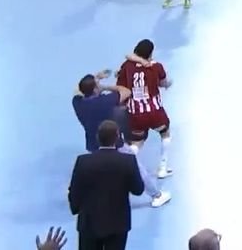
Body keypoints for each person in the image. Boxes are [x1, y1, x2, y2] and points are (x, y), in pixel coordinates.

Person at [71, 72, 171, 208]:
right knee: (137, 168)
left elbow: (77, 89)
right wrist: (104, 87)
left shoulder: (77, 103)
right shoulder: (105, 101)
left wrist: (96, 79)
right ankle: (156, 195)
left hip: (93, 146)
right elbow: (126, 91)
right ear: (95, 89)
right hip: (115, 144)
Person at [68, 120, 145, 250]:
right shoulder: (128, 161)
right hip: (117, 224)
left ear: (97, 137)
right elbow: (138, 190)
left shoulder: (83, 161)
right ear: (117, 137)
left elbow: (74, 191)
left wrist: (75, 209)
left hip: (89, 224)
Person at [116, 39, 174, 179]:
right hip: (155, 112)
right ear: (150, 53)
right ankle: (163, 168)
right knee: (165, 133)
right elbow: (163, 82)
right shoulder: (156, 66)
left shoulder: (126, 66)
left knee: (137, 143)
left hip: (136, 113)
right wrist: (168, 83)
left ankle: (123, 168)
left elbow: (121, 87)